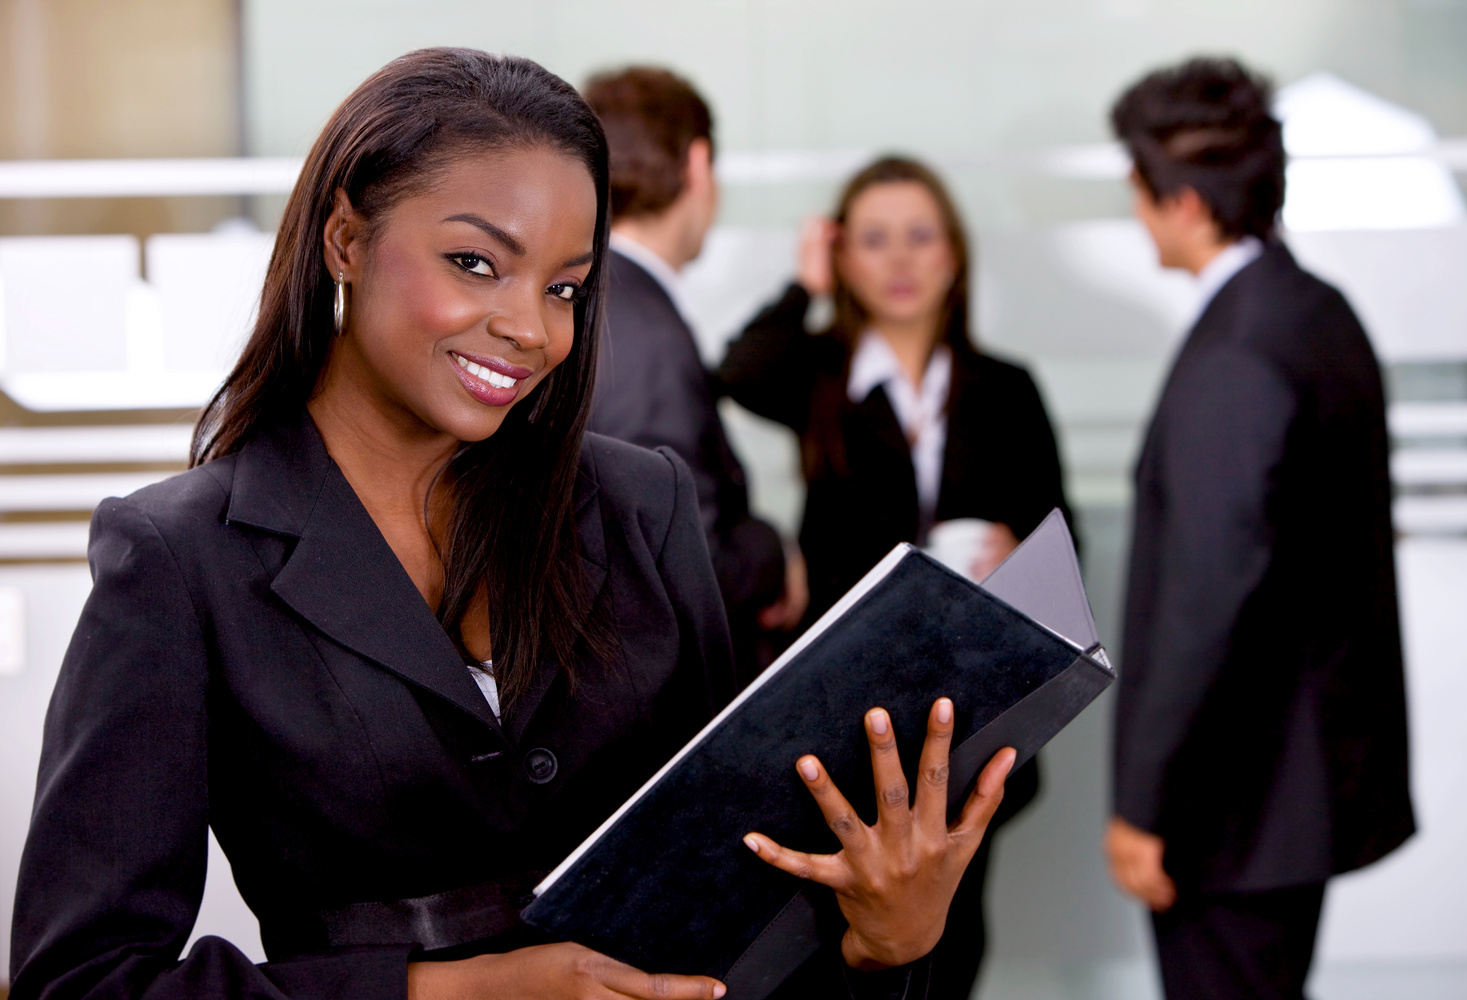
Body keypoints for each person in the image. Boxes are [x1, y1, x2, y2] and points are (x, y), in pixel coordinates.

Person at [8, 49, 1020, 1000]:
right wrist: (437, 991)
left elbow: (738, 900)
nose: (533, 329)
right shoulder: (183, 557)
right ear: (346, 238)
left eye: (566, 286)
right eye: (476, 264)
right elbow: (84, 980)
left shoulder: (639, 504)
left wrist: (884, 940)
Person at [716, 156, 1068, 999]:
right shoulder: (820, 379)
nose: (900, 260)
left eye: (920, 237)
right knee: (849, 954)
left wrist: (1017, 548)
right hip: (848, 715)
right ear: (843, 258)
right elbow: (738, 370)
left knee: (954, 943)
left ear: (953, 256)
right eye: (872, 240)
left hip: (974, 718)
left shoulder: (1006, 390)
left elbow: (1065, 549)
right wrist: (804, 286)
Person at [1104, 57, 1415, 1000]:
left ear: (1184, 202)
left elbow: (1207, 597)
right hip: (1301, 790)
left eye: (1138, 187)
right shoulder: (1317, 312)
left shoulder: (1237, 351)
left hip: (1232, 809)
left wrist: (1143, 807)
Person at [582, 67, 802, 686]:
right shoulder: (645, 332)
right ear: (698, 165)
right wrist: (771, 554)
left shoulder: (585, 300)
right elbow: (677, 553)